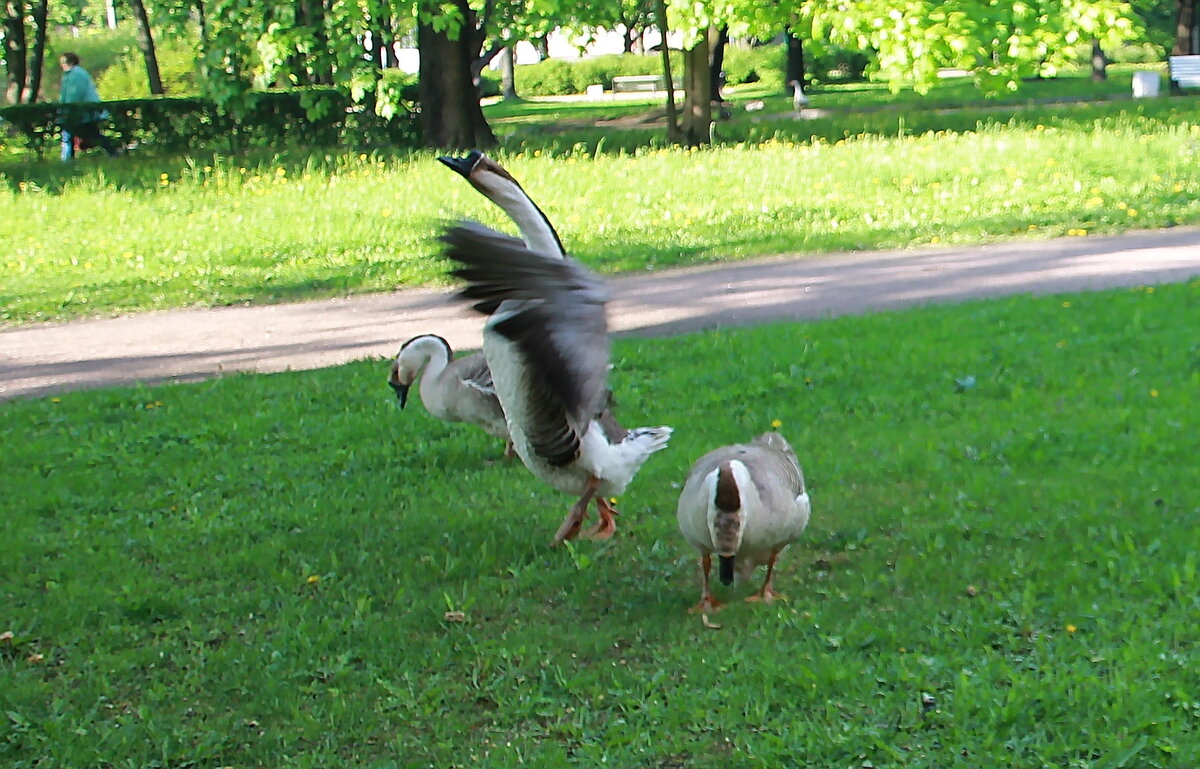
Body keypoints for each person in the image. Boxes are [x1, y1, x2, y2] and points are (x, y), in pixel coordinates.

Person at [58, 52, 118, 161]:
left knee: (87, 134)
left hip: (83, 111)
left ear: (71, 62)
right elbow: (65, 95)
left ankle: (67, 160)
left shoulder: (76, 74)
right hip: (79, 111)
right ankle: (67, 160)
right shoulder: (70, 74)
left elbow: (74, 94)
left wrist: (67, 110)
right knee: (73, 135)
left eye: (64, 62)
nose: (62, 65)